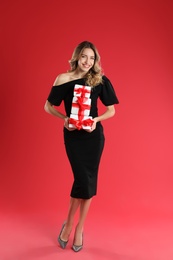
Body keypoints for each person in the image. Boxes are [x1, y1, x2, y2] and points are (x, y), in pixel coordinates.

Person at [44, 41, 119, 252]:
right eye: (84, 56)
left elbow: (111, 111)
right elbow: (48, 106)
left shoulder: (99, 80)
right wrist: (64, 118)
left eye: (92, 58)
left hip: (93, 138)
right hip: (73, 138)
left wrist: (95, 120)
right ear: (77, 57)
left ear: (95, 61)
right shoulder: (64, 79)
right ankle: (68, 224)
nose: (88, 61)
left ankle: (77, 227)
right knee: (81, 180)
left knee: (87, 182)